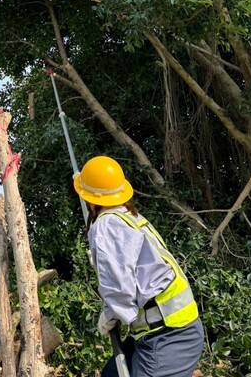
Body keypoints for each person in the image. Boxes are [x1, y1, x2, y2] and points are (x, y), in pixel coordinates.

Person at [73, 156, 204, 377]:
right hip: (167, 331)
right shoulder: (128, 217)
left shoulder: (107, 225)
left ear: (90, 198)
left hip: (169, 337)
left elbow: (119, 289)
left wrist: (110, 315)